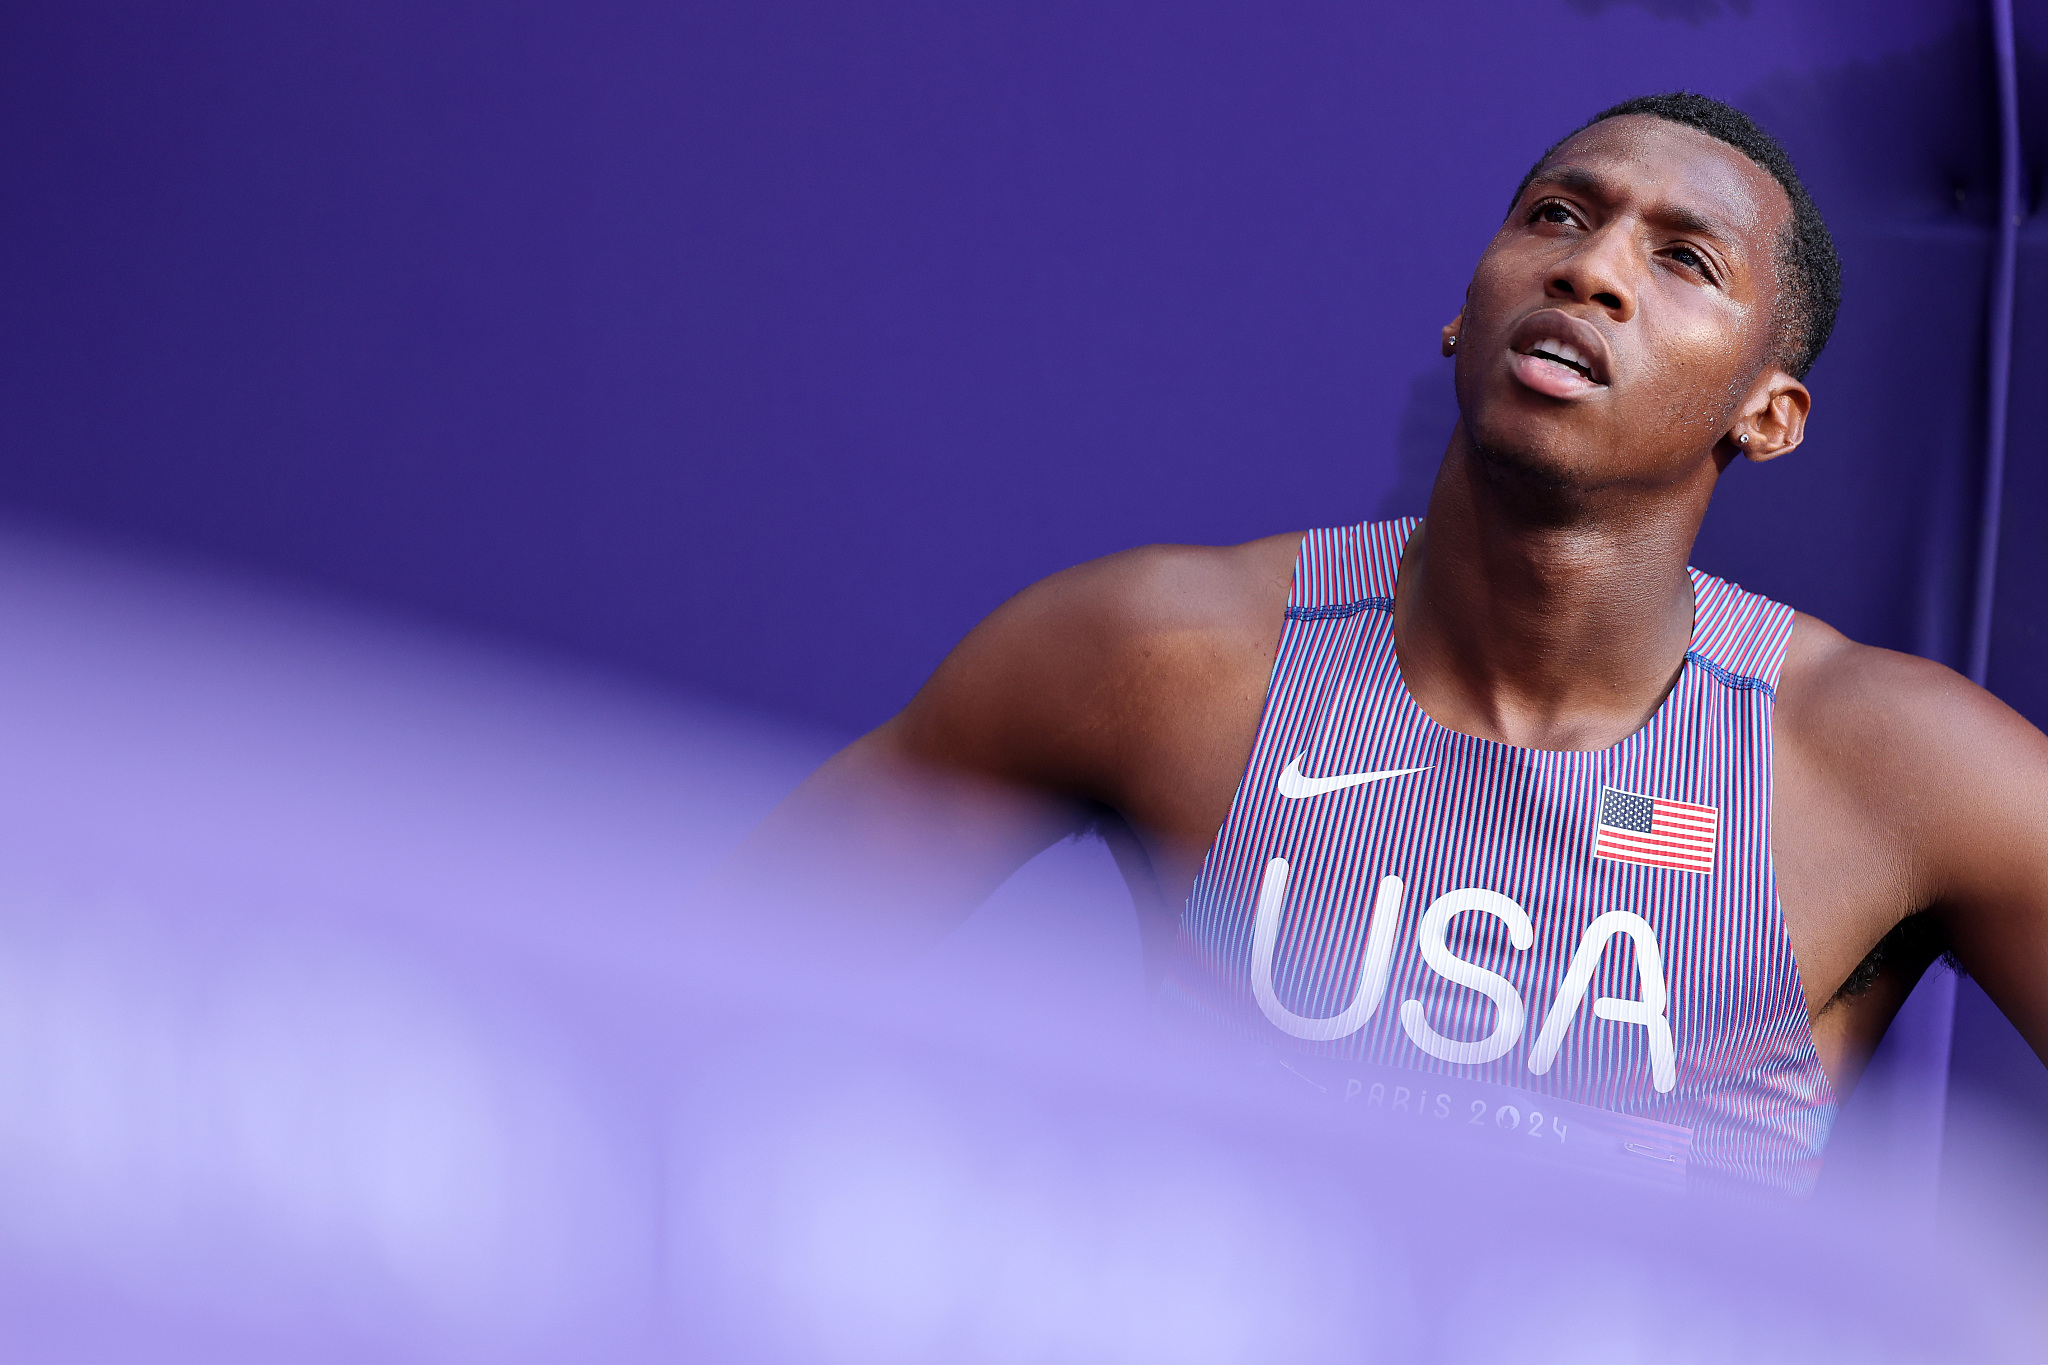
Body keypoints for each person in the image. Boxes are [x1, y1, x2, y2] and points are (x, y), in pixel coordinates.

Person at [721, 93, 2048, 1191]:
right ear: (1466, 313)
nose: (1590, 268)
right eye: (1557, 218)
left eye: (1681, 259)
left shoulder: (1893, 772)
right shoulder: (1158, 656)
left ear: (1770, 416)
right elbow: (711, 999)